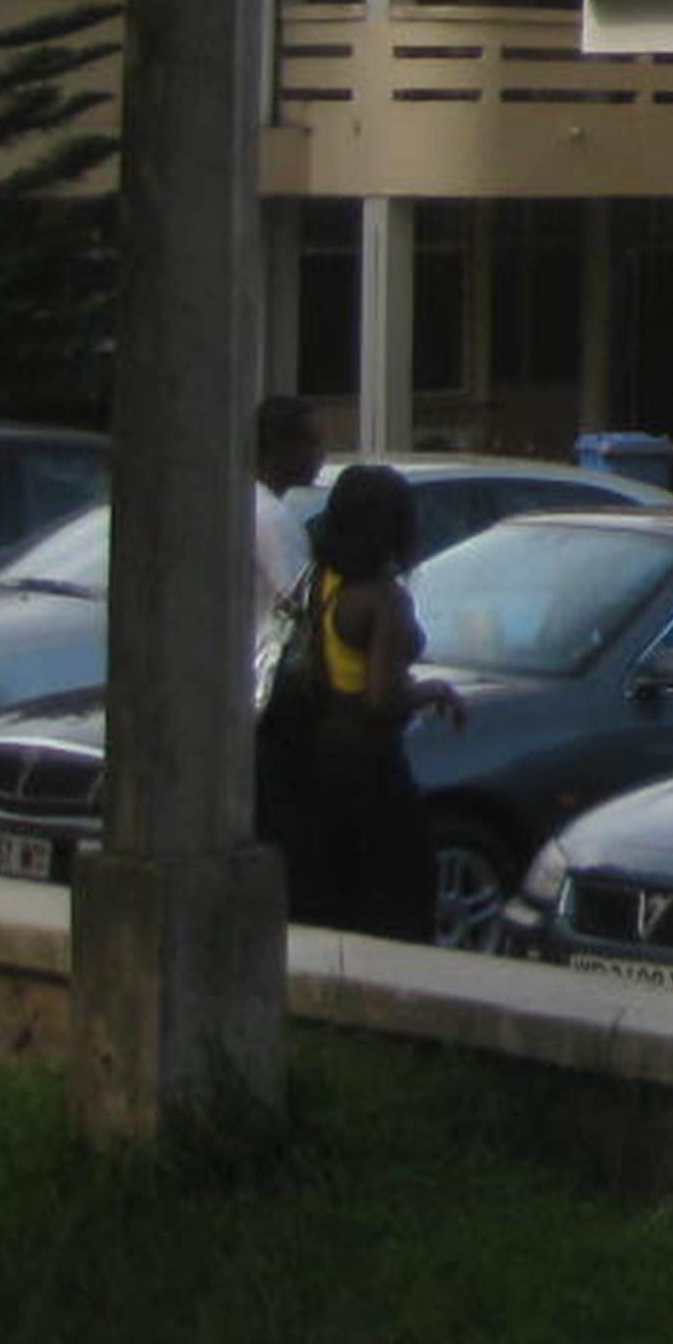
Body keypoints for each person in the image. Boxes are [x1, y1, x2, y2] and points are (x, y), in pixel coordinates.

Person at [264, 463, 465, 940]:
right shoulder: (383, 599)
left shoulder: (322, 580)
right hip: (369, 759)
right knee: (397, 889)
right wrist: (435, 691)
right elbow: (381, 698)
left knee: (331, 885)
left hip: (315, 749)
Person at [249, 395, 318, 625]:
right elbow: (300, 603)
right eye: (312, 442)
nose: (320, 455)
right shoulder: (271, 515)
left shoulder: (246, 504)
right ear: (282, 447)